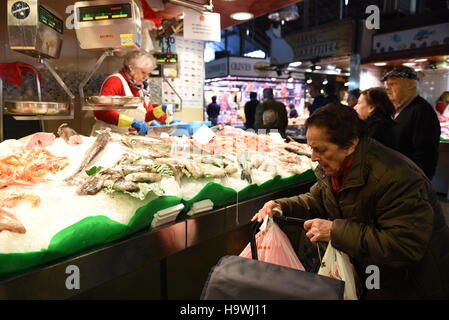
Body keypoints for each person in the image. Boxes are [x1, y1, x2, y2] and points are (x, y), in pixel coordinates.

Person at [252, 104, 449, 300]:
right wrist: (281, 205)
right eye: (312, 148)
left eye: (320, 149)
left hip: (408, 282)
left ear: (351, 144)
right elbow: (318, 198)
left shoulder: (396, 177)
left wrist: (335, 231)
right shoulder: (334, 167)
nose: (313, 157)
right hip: (372, 269)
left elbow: (405, 245)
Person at [92, 50, 173, 135]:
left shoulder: (139, 88)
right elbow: (101, 112)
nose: (146, 77)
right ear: (131, 68)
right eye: (143, 72)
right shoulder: (115, 81)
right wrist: (132, 122)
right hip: (107, 137)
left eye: (148, 74)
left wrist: (162, 110)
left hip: (126, 138)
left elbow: (145, 117)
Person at [382, 66, 441, 179]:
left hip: (409, 180)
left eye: (393, 84)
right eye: (387, 85)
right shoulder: (397, 109)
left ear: (410, 85)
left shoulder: (422, 111)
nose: (388, 89)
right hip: (395, 176)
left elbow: (426, 155)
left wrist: (417, 182)